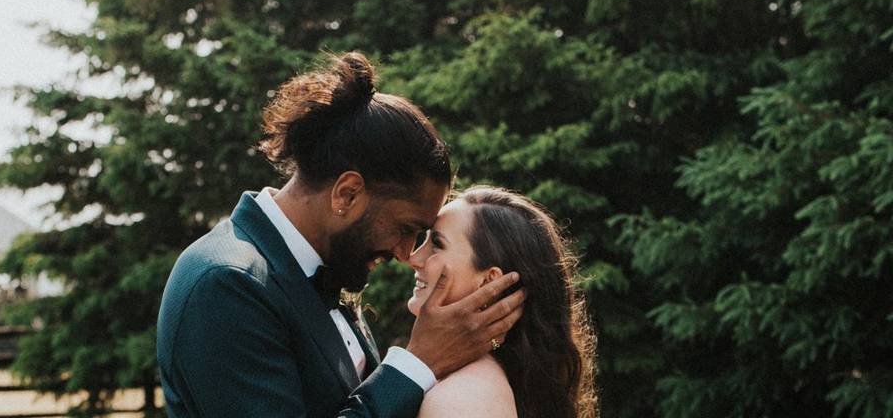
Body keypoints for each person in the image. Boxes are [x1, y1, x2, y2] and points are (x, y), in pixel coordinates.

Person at [157, 52, 525, 418]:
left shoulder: (321, 268)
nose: (405, 254)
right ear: (347, 193)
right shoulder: (227, 284)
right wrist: (419, 362)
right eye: (406, 229)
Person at [408, 186, 598, 418]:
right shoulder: (488, 381)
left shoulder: (464, 398)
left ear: (490, 281)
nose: (413, 258)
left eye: (437, 244)